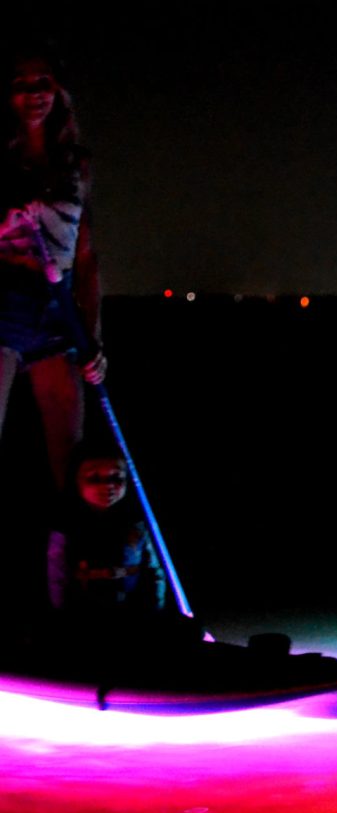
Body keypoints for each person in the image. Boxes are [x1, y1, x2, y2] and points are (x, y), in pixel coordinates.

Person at [1, 42, 106, 493]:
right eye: (21, 86)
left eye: (42, 83)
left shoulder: (76, 164)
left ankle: (70, 557)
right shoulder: (1, 160)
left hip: (55, 314)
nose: (33, 94)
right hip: (3, 305)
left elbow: (84, 256)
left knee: (72, 458)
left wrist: (93, 338)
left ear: (59, 92)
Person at [47, 441, 166, 617]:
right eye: (94, 478)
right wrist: (58, 613)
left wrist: (156, 608)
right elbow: (56, 574)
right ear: (76, 480)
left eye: (116, 478)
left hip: (131, 611)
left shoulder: (137, 525)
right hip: (81, 613)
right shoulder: (66, 526)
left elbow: (153, 570)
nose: (107, 486)